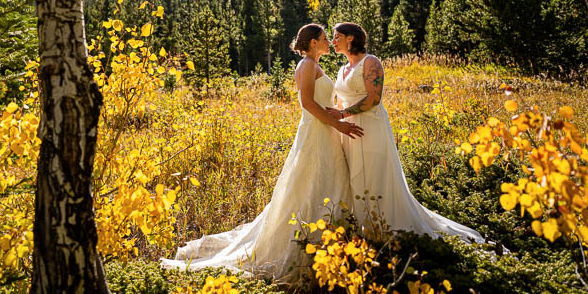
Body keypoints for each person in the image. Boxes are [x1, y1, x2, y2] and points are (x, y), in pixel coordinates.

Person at [161, 24, 363, 281]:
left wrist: (342, 116)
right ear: (313, 42)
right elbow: (308, 104)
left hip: (326, 131)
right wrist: (338, 124)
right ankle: (310, 242)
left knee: (324, 180)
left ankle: (331, 236)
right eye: (324, 39)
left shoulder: (315, 65)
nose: (328, 42)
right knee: (310, 182)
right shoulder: (307, 65)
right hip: (317, 132)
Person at [331, 22, 484, 243]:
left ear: (351, 39)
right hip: (348, 130)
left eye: (337, 37)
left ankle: (384, 227)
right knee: (354, 175)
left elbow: (374, 99)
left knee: (374, 174)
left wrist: (343, 114)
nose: (334, 42)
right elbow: (340, 100)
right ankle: (365, 228)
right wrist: (334, 118)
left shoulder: (370, 62)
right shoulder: (342, 69)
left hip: (370, 126)